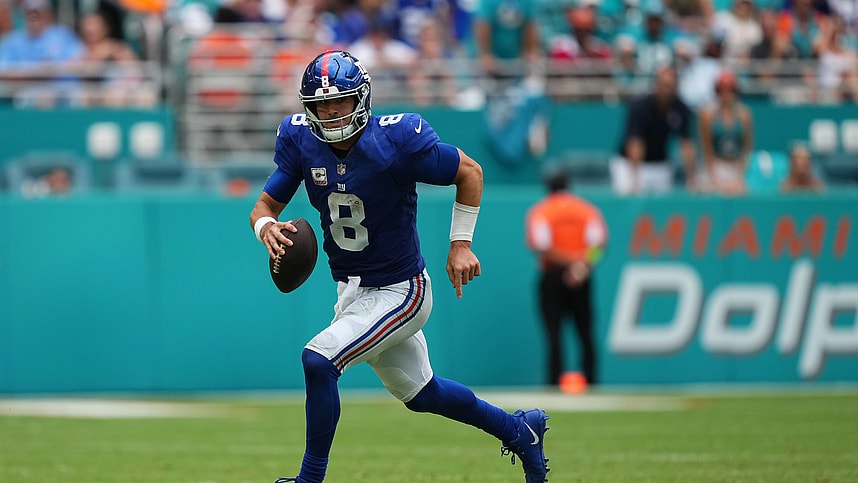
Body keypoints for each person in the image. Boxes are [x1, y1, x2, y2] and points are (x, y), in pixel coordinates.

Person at [249, 50, 551, 483]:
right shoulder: (300, 140)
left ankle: (309, 480)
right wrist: (266, 229)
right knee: (424, 394)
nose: (332, 114)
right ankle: (521, 431)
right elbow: (264, 205)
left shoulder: (394, 140)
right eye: (321, 105)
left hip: (400, 290)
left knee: (318, 360)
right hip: (352, 293)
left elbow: (470, 171)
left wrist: (460, 244)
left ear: (362, 100)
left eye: (341, 102)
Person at [525, 166, 607, 388]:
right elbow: (598, 244)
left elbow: (542, 246)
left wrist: (569, 262)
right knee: (585, 331)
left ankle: (554, 381)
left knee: (554, 332)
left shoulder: (542, 211)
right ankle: (591, 380)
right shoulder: (586, 210)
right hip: (582, 273)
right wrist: (582, 265)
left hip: (553, 275)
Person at [610, 65, 697, 195]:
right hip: (629, 164)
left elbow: (686, 144)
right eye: (664, 85)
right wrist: (635, 178)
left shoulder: (681, 108)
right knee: (631, 203)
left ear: (676, 87)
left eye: (670, 86)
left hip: (660, 164)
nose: (667, 90)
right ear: (656, 85)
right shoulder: (640, 106)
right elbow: (635, 142)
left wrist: (692, 178)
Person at [698, 70, 754, 195]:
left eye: (729, 90)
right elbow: (707, 149)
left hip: (735, 165)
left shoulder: (744, 115)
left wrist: (739, 176)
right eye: (722, 90)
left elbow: (746, 147)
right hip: (716, 164)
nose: (726, 94)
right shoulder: (708, 116)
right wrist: (713, 177)